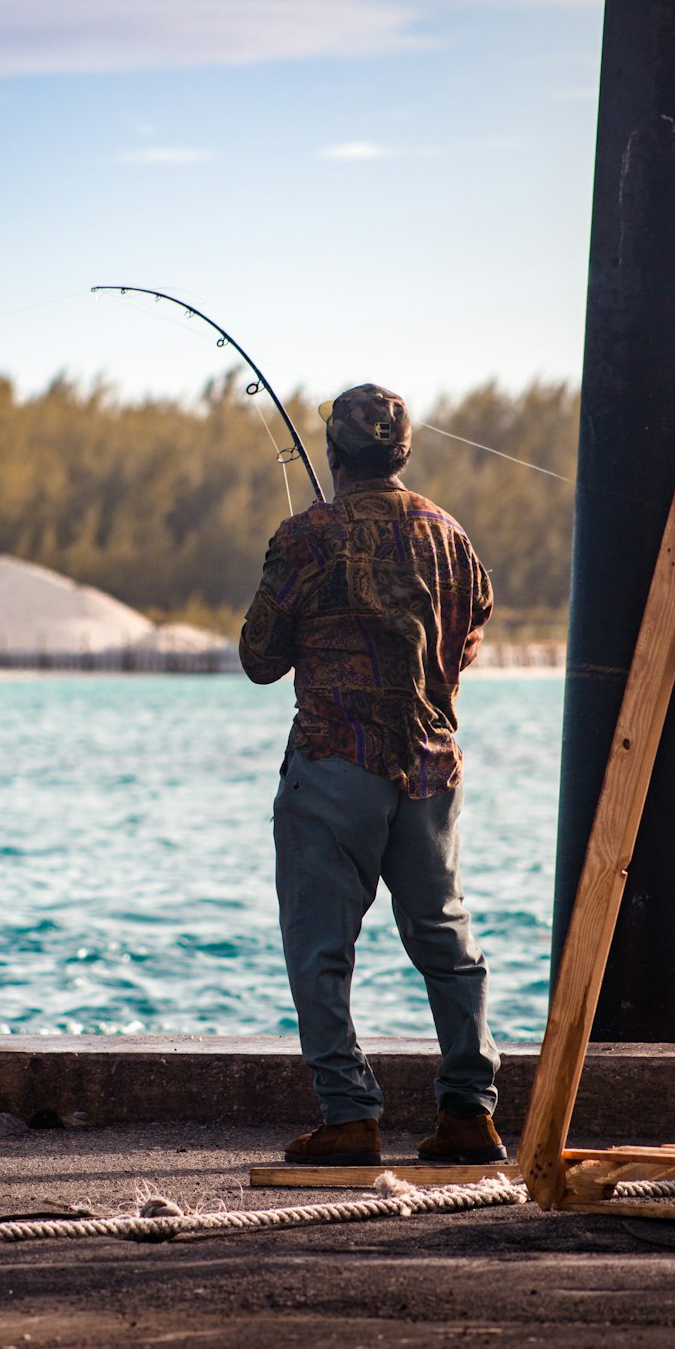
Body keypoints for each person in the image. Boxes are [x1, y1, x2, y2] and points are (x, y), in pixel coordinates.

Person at [239, 383, 505, 1167]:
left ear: (333, 453)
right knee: (446, 941)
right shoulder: (449, 534)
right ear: (403, 450)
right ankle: (469, 1114)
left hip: (334, 767)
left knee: (319, 946)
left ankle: (350, 1117)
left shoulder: (304, 537)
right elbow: (471, 633)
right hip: (430, 772)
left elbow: (260, 660)